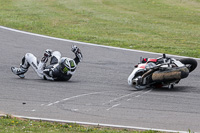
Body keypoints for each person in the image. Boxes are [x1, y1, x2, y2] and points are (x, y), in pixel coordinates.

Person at [11, 45, 83, 81]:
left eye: (62, 63)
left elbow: (41, 69)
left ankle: (21, 71)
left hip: (43, 72)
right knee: (57, 53)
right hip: (54, 66)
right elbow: (79, 58)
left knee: (28, 55)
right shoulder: (69, 70)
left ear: (61, 68)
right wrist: (77, 51)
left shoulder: (54, 72)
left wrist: (45, 57)